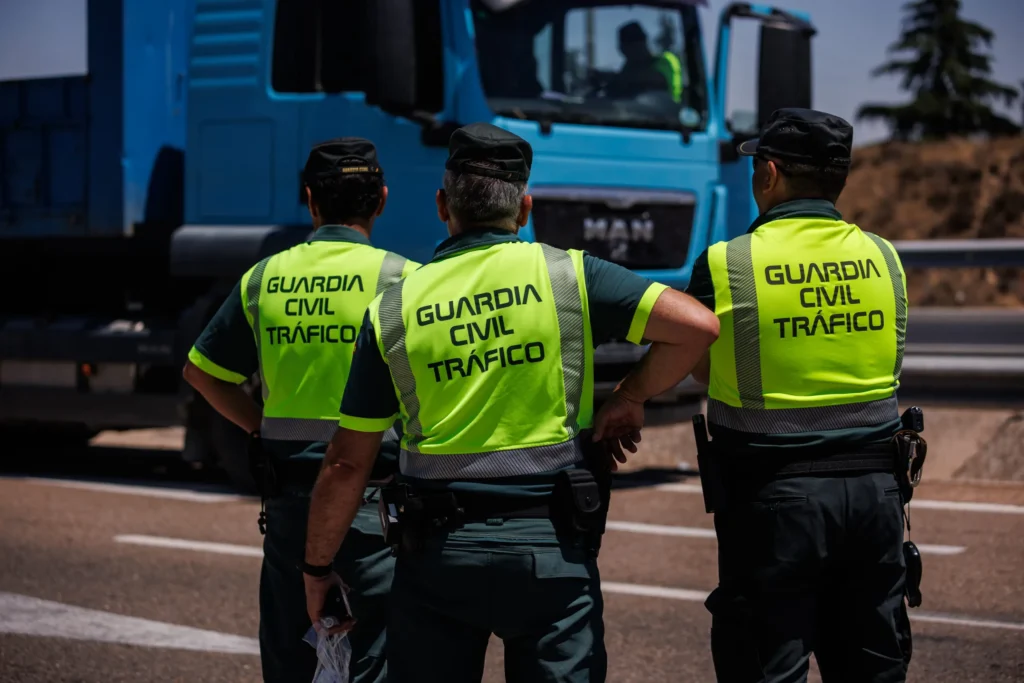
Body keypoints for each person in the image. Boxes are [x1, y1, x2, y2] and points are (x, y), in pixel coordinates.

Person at [301, 122, 719, 683]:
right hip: (551, 554)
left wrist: (317, 567)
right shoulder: (568, 275)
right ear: (524, 208)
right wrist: (630, 395)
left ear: (442, 205)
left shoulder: (394, 309)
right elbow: (697, 326)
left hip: (437, 558)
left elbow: (347, 463)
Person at [685, 108, 914, 683]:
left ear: (768, 172)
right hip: (877, 498)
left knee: (767, 665)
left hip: (773, 503)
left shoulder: (727, 262)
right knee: (873, 665)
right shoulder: (886, 259)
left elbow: (694, 371)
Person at [182, 137, 419, 683]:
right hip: (373, 505)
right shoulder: (403, 280)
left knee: (292, 658)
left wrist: (258, 428)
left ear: (309, 200)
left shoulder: (265, 278)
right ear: (381, 200)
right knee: (374, 659)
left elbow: (202, 372)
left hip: (291, 506)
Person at [606, 21, 682, 103]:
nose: (627, 53)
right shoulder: (629, 68)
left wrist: (611, 77)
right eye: (623, 49)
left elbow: (654, 79)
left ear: (643, 42)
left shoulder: (667, 60)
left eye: (632, 46)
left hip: (667, 112)